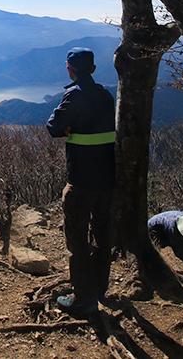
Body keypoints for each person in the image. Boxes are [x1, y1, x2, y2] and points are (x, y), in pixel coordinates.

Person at [45, 47, 116, 317]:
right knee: (102, 236)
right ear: (94, 70)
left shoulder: (74, 95)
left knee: (77, 241)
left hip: (80, 181)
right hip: (107, 180)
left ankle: (82, 298)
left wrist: (68, 128)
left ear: (69, 69)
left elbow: (53, 126)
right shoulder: (106, 96)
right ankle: (99, 289)